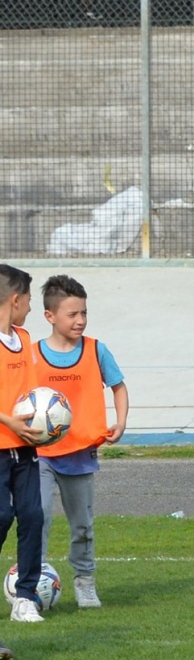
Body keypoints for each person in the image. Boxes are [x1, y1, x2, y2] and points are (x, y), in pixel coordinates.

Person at [33, 275, 127, 608]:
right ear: (50, 316)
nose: (80, 320)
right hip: (40, 455)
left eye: (84, 313)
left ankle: (85, 581)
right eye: (72, 314)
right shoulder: (32, 356)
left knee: (83, 525)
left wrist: (121, 421)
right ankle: (32, 581)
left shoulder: (95, 349)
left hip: (80, 454)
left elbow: (118, 386)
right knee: (38, 516)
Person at [0, 263, 44, 629]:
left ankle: (26, 596)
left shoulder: (25, 339)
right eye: (28, 301)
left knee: (33, 515)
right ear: (14, 300)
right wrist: (7, 421)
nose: (29, 308)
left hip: (25, 449)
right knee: (2, 515)